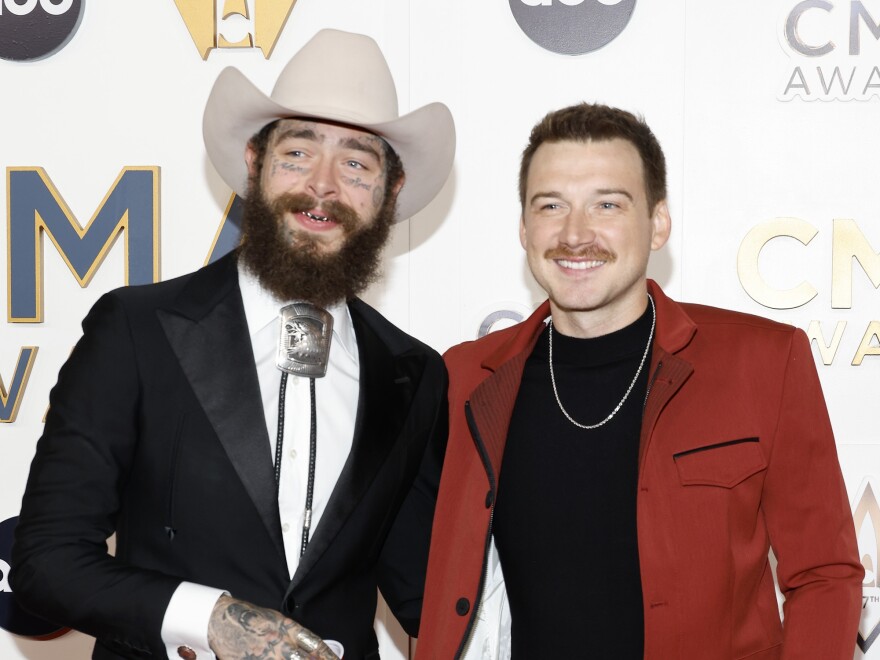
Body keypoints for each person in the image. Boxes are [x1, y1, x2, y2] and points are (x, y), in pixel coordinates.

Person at [11, 28, 454, 660]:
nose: (323, 185)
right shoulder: (136, 330)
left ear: (389, 192)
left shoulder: (413, 374)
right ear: (254, 162)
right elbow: (45, 563)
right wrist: (210, 617)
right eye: (298, 153)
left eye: (357, 163)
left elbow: (431, 590)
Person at [416, 103, 863, 659]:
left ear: (657, 223)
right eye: (551, 205)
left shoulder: (764, 362)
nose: (576, 234)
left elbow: (824, 573)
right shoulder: (463, 378)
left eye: (607, 204)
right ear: (524, 228)